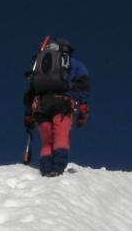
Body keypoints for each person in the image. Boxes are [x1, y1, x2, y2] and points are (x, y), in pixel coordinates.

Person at [23, 36, 90, 177]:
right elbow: (84, 86)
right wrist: (83, 109)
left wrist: (28, 114)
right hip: (62, 103)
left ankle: (46, 168)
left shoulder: (40, 66)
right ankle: (58, 167)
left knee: (47, 141)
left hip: (40, 106)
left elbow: (30, 93)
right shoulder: (74, 63)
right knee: (61, 135)